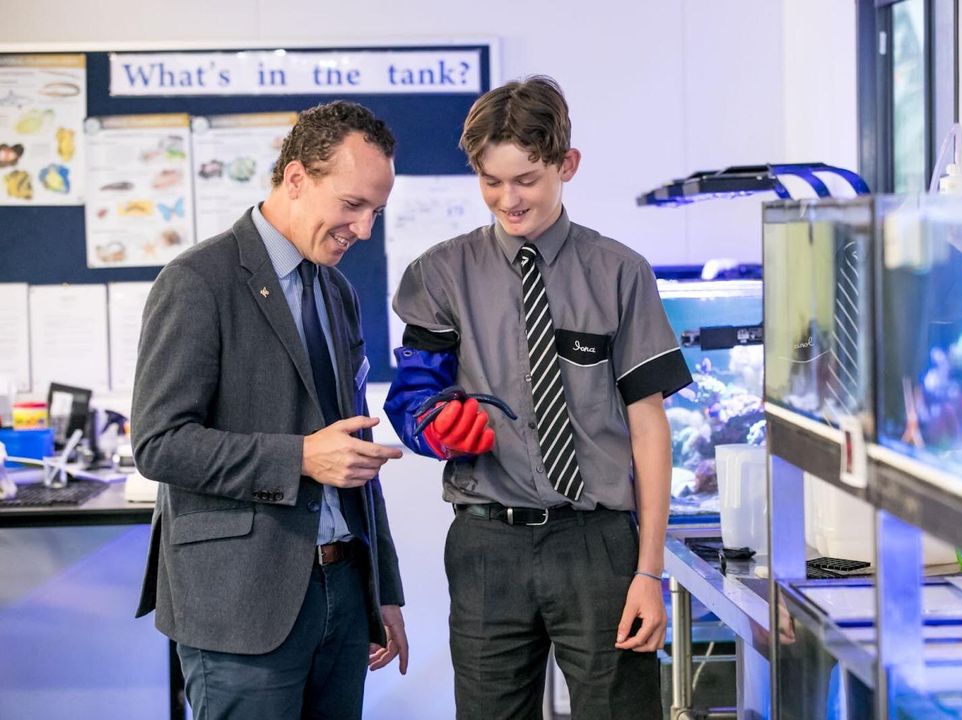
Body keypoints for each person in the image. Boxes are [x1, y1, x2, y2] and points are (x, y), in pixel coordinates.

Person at [385, 76, 692, 719]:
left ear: (566, 164)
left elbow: (648, 425)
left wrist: (649, 570)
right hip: (486, 545)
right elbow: (415, 398)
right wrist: (437, 425)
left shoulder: (618, 272)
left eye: (525, 178)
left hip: (598, 544)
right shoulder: (441, 274)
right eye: (491, 181)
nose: (507, 198)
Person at [133, 100, 408, 719]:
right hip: (239, 607)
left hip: (342, 591)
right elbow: (158, 443)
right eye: (352, 205)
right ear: (296, 179)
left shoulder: (337, 292)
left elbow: (353, 453)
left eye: (376, 211)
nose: (364, 230)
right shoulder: (197, 280)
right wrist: (301, 456)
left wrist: (382, 590)